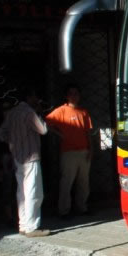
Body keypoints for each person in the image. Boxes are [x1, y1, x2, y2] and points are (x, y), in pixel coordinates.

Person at [0, 87, 49, 237]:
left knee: (21, 192)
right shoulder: (29, 113)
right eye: (35, 97)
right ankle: (32, 227)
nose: (37, 100)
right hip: (31, 156)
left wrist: (13, 142)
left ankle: (23, 224)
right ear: (30, 97)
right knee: (34, 191)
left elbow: (1, 133)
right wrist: (39, 113)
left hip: (17, 157)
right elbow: (43, 130)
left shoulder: (12, 113)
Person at [46, 84, 94, 218]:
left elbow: (88, 132)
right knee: (67, 182)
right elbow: (46, 123)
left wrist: (91, 149)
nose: (74, 96)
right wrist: (59, 134)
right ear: (67, 96)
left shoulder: (84, 112)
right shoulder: (61, 111)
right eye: (71, 93)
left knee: (83, 182)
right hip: (68, 152)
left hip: (83, 150)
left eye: (76, 93)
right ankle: (64, 210)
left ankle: (82, 207)